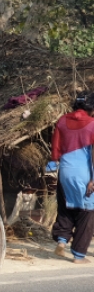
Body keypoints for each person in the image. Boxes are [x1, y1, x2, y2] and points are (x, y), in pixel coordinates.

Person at [51, 92, 94, 264]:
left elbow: (55, 149)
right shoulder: (92, 124)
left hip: (65, 172)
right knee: (87, 213)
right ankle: (78, 255)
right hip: (84, 174)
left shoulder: (62, 121)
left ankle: (62, 241)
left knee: (65, 207)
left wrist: (54, 164)